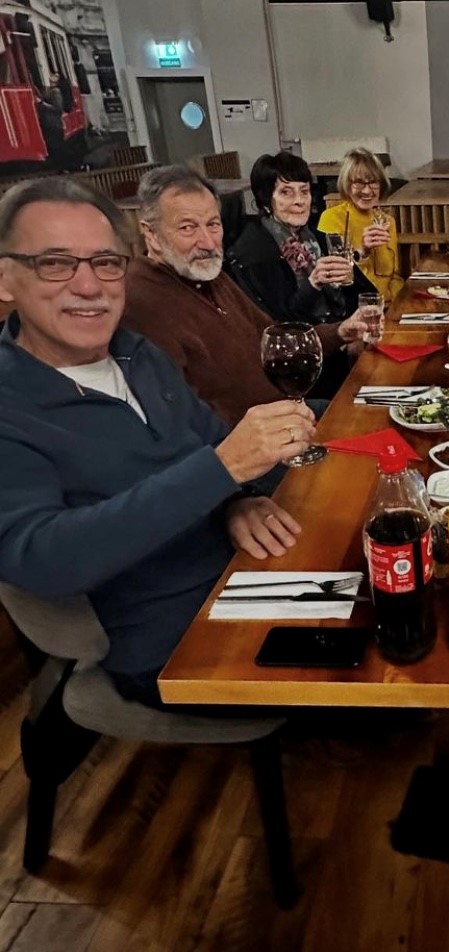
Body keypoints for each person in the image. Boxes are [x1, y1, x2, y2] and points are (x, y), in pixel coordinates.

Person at [0, 178, 315, 708]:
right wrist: (221, 473)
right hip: (171, 641)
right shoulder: (11, 404)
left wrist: (235, 503)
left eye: (105, 262)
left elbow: (211, 445)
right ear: (5, 279)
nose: (89, 285)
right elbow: (42, 560)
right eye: (55, 263)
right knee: (387, 686)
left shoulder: (135, 353)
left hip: (244, 570)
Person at [122, 166, 369, 426]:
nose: (208, 243)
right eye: (187, 227)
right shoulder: (141, 299)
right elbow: (183, 419)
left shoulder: (209, 275)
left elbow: (273, 339)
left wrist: (339, 332)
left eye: (213, 224)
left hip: (284, 410)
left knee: (374, 411)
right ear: (150, 234)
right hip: (253, 436)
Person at [227, 150, 376, 323]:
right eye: (286, 192)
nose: (300, 201)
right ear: (266, 200)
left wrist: (349, 276)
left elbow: (368, 294)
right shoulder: (255, 252)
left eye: (304, 191)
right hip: (307, 337)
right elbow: (280, 323)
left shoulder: (317, 236)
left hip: (344, 330)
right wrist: (314, 283)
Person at [316, 148, 403, 301]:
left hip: (387, 305)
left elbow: (394, 276)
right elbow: (334, 282)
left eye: (373, 182)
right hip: (355, 306)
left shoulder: (387, 221)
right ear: (347, 185)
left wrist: (399, 303)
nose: (367, 191)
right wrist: (362, 251)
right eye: (359, 183)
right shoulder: (331, 218)